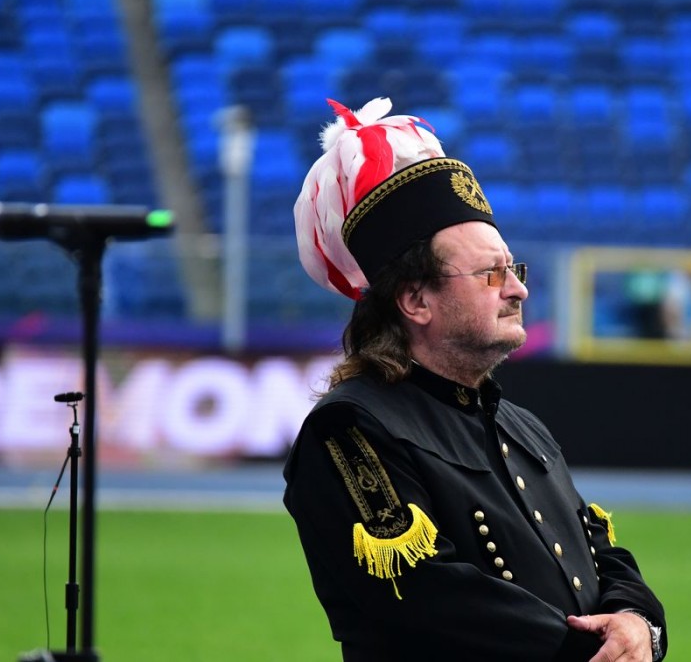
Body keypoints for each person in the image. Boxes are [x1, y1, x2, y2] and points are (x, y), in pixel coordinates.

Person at [283, 98, 668, 661]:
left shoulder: (521, 426)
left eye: (514, 268)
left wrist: (637, 623)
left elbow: (600, 553)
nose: (518, 289)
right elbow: (424, 595)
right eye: (491, 273)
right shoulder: (349, 428)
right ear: (416, 300)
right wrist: (588, 653)